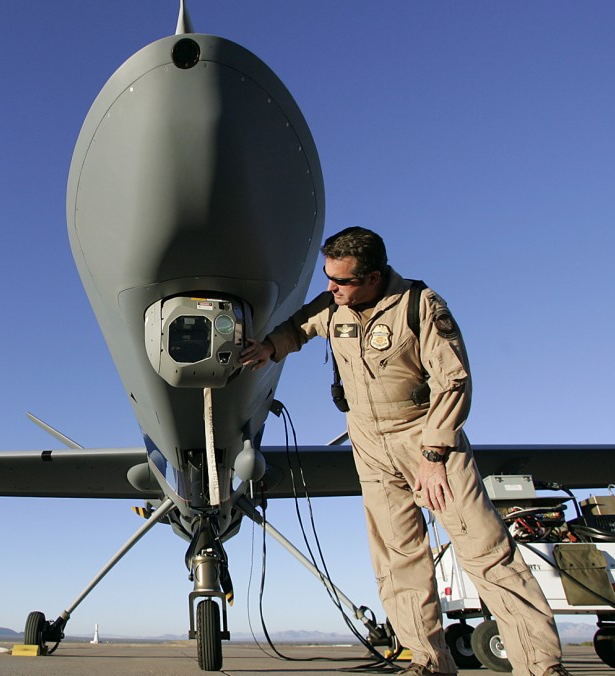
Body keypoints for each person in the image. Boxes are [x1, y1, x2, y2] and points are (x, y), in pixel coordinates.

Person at [240, 227, 568, 676]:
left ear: (373, 277)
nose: (331, 288)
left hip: (425, 437)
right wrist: (269, 349)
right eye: (328, 278)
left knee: (485, 551)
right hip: (369, 446)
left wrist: (434, 457)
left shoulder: (420, 304)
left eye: (341, 281)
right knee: (398, 560)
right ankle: (429, 661)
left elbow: (453, 381)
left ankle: (539, 665)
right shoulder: (334, 305)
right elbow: (300, 326)